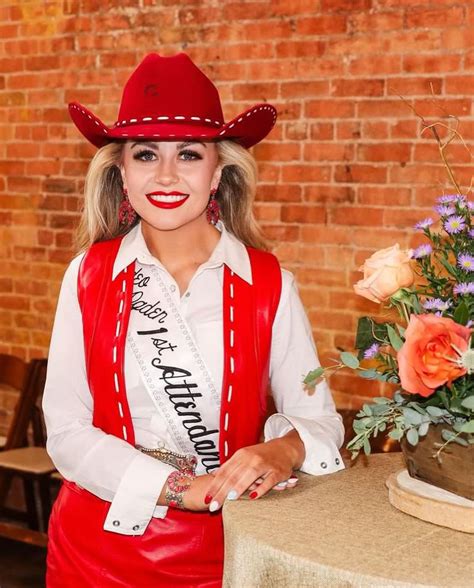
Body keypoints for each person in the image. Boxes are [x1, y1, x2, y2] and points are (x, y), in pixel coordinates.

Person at [43, 52, 344, 587]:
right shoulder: (87, 276)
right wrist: (184, 490)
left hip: (226, 552)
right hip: (95, 550)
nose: (165, 175)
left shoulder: (271, 284)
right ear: (121, 172)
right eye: (144, 155)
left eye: (187, 154)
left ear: (218, 172)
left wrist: (284, 447)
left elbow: (320, 422)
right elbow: (66, 430)